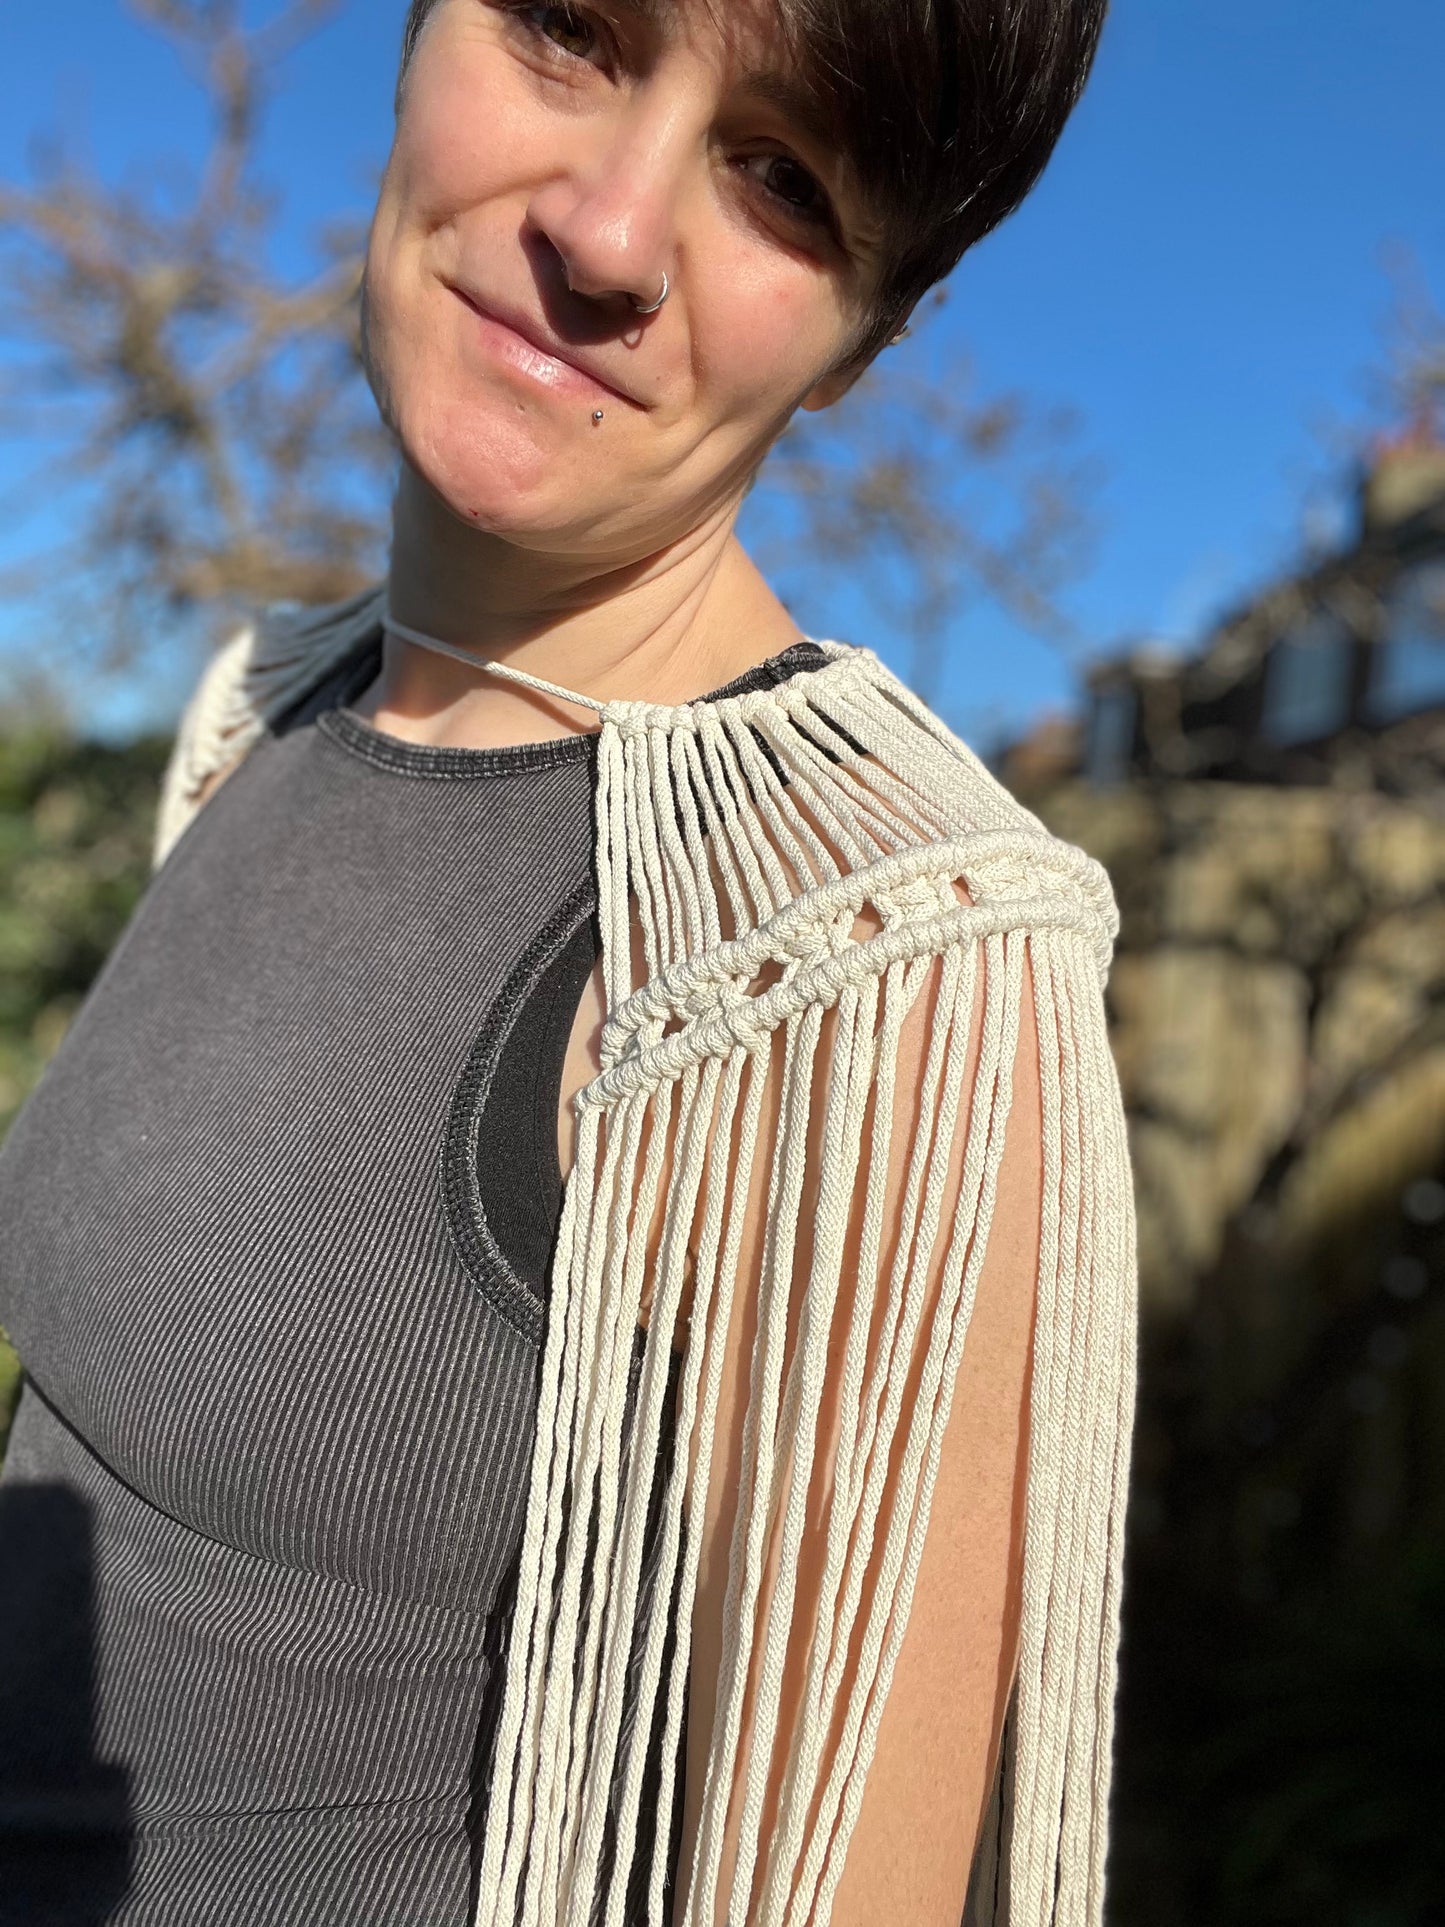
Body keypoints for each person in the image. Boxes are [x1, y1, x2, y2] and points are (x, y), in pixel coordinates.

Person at [0, 2, 1135, 1924]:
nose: (611, 235)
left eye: (781, 176)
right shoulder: (261, 713)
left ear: (872, 334)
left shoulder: (856, 957)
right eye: (571, 30)